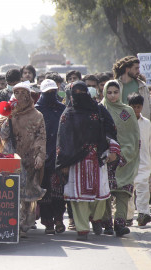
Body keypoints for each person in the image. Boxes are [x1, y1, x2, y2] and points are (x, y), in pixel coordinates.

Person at [56, 81, 118, 240]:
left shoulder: (99, 109)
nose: (79, 95)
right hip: (75, 161)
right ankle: (82, 229)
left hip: (97, 158)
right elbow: (62, 140)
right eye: (75, 92)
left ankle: (96, 218)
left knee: (101, 196)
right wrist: (63, 163)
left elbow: (111, 129)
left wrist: (112, 149)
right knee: (78, 199)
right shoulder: (68, 114)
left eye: (81, 91)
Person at [0, 82, 46, 237]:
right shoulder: (7, 115)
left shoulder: (37, 116)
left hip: (30, 159)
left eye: (24, 93)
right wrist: (7, 118)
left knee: (27, 193)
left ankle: (24, 224)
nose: (20, 97)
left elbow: (41, 137)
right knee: (13, 192)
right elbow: (1, 136)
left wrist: (39, 156)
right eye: (17, 93)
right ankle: (14, 224)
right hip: (12, 160)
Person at [100, 80, 140, 236]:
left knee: (123, 193)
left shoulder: (127, 111)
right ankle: (107, 224)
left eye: (115, 92)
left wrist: (122, 154)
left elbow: (133, 137)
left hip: (124, 159)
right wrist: (107, 153)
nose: (112, 95)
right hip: (105, 158)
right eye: (109, 92)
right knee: (105, 192)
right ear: (104, 92)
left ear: (120, 93)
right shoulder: (100, 109)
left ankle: (120, 223)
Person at [35, 79, 66, 234]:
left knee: (58, 191)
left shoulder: (62, 109)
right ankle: (48, 223)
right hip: (42, 156)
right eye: (47, 93)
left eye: (53, 92)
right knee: (45, 191)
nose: (50, 95)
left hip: (59, 156)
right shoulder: (36, 111)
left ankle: (59, 220)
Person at [126, 93, 151, 226]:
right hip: (128, 163)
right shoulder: (124, 122)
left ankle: (143, 214)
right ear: (128, 106)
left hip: (144, 161)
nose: (136, 109)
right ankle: (128, 216)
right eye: (133, 107)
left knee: (142, 188)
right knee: (128, 190)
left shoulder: (147, 123)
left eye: (138, 107)